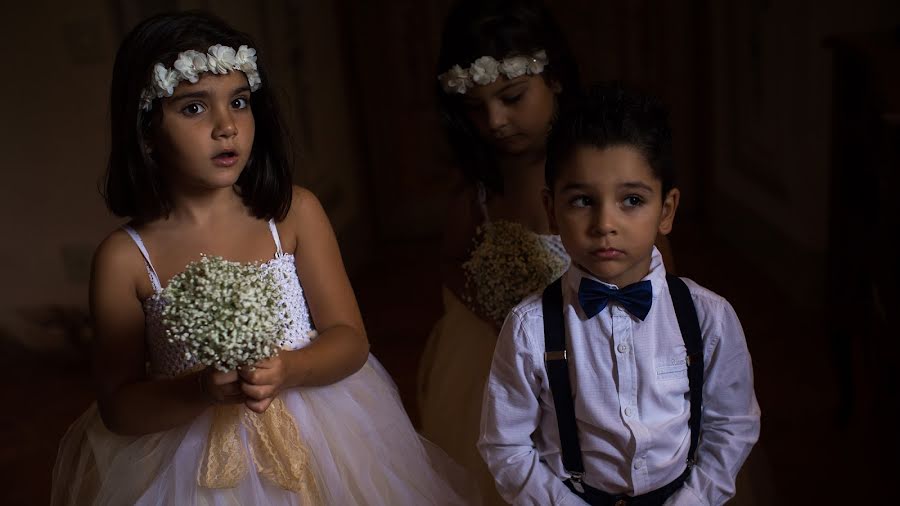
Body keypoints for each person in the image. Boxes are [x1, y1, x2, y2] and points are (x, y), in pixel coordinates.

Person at [51, 11, 475, 505]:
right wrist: (202, 391)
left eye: (239, 102)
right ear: (146, 131)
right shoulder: (126, 259)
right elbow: (119, 407)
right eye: (193, 109)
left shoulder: (293, 215)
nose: (226, 126)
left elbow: (350, 341)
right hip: (193, 469)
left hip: (324, 439)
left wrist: (288, 369)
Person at [478, 83, 760, 505]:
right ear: (552, 210)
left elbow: (732, 424)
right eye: (582, 201)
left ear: (666, 211)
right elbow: (505, 445)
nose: (605, 223)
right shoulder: (529, 329)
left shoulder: (708, 317)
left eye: (631, 199)